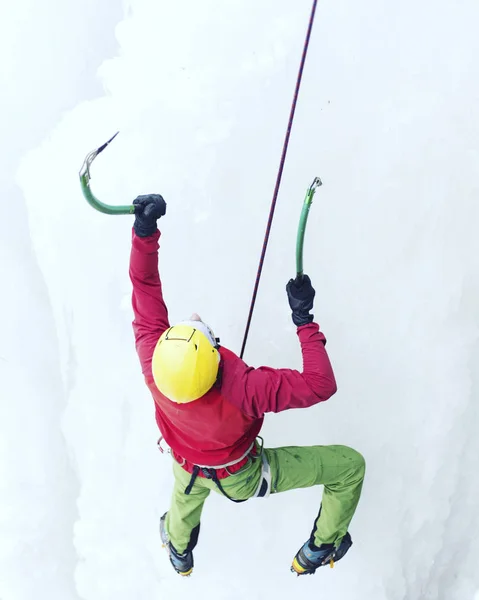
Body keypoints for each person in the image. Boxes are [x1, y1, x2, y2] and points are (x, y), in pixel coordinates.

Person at [129, 193, 365, 577]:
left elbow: (143, 284)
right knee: (349, 467)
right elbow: (320, 384)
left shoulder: (153, 362)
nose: (194, 316)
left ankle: (178, 551)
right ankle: (319, 548)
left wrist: (143, 232)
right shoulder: (246, 390)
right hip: (242, 477)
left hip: (187, 468)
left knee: (183, 503)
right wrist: (304, 320)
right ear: (214, 358)